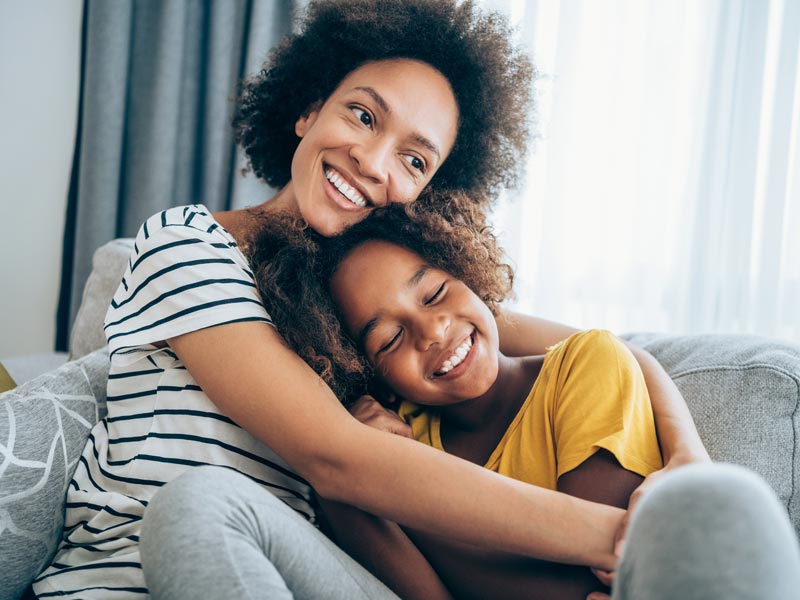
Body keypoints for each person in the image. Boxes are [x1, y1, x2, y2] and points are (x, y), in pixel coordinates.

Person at [34, 1, 710, 598]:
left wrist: (688, 460)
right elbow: (335, 459)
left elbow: (605, 349)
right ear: (306, 109)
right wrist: (629, 540)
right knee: (199, 503)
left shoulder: (375, 298)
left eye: (415, 160)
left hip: (307, 567)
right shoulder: (189, 245)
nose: (374, 161)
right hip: (128, 572)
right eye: (363, 115)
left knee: (204, 505)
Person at [248, 202, 800, 599]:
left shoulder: (586, 365)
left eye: (436, 292)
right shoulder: (392, 445)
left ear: (470, 273)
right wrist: (366, 471)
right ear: (370, 373)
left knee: (735, 502)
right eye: (389, 339)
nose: (434, 333)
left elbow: (583, 579)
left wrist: (413, 511)